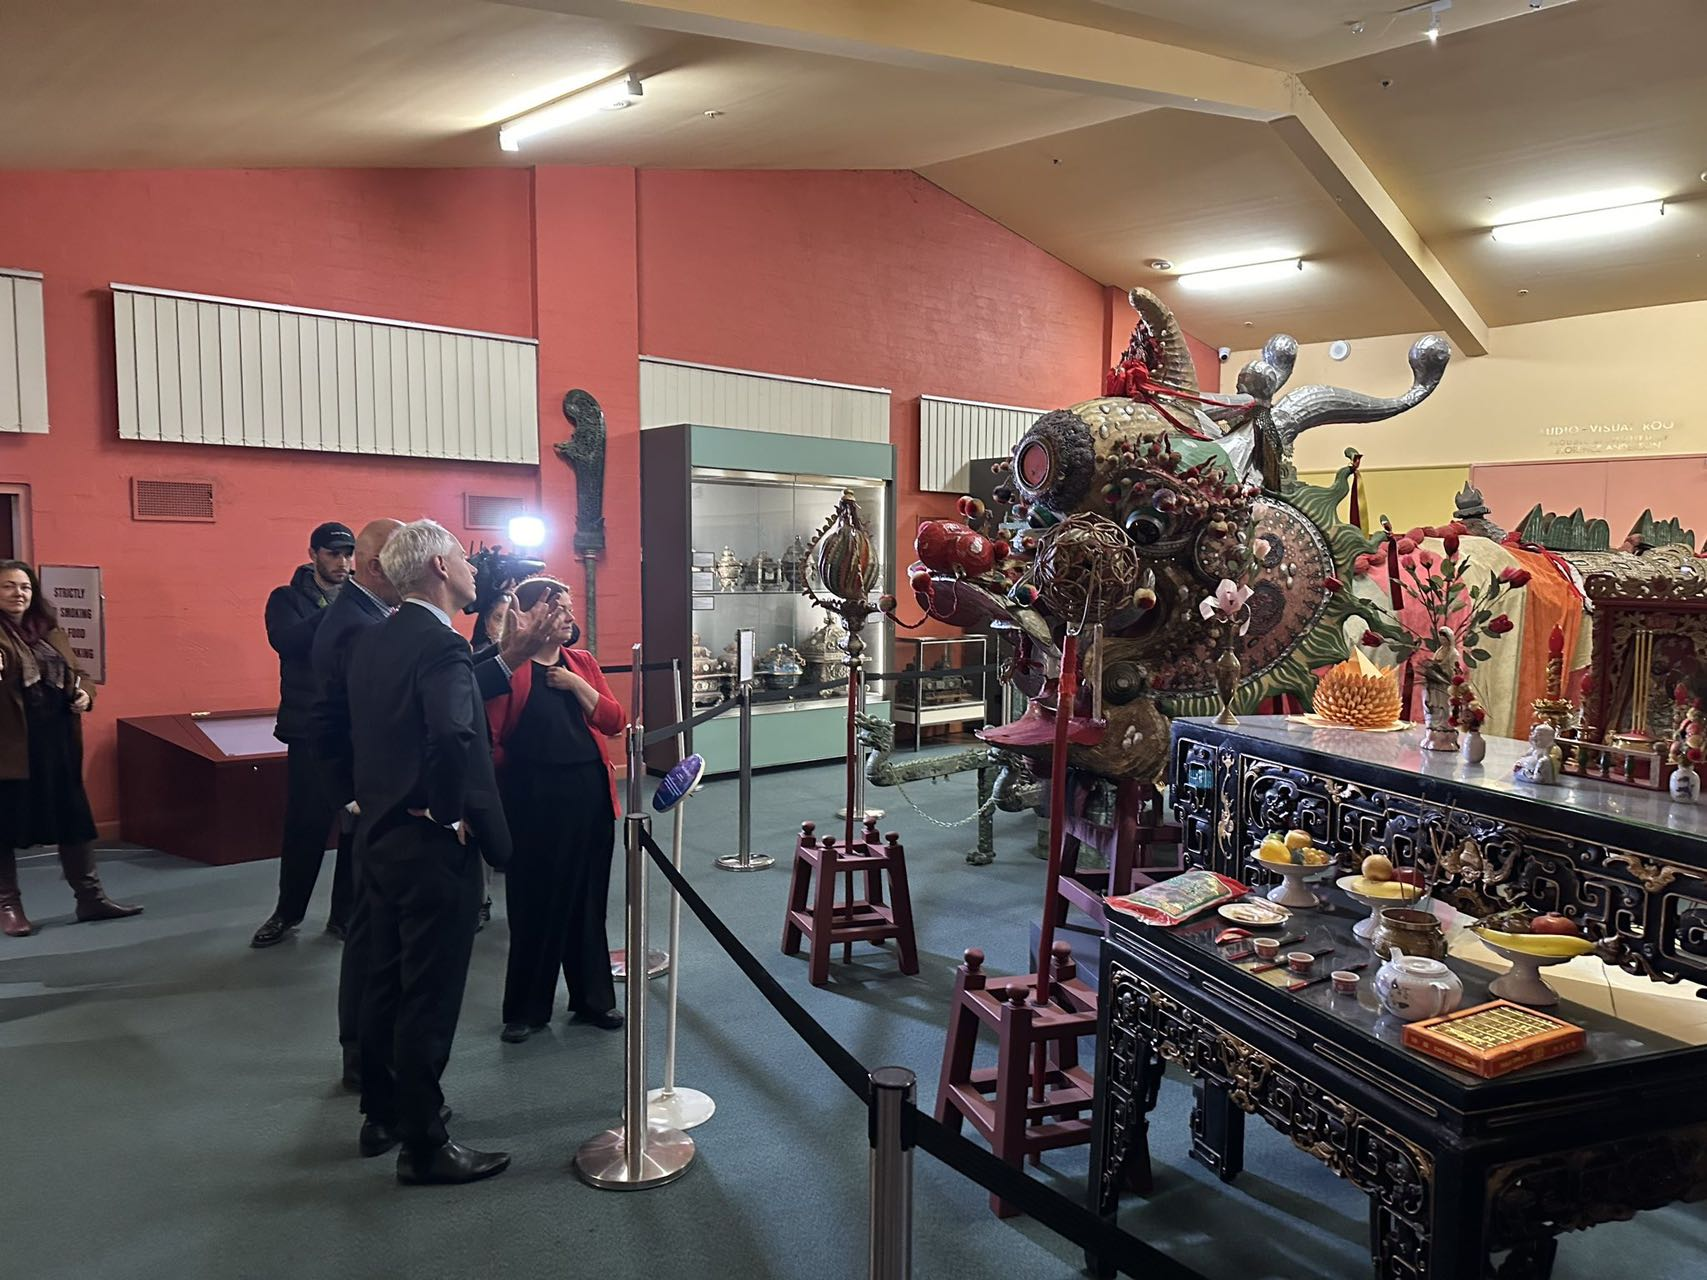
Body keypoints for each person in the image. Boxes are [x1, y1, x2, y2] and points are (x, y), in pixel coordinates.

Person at [347, 519, 512, 1185]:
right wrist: (446, 811)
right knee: (429, 995)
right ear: (440, 567)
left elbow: (360, 731)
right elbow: (451, 735)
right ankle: (424, 1144)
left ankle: (384, 1111)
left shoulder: (374, 636)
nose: (474, 568)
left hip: (379, 835)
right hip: (429, 845)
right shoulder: (441, 645)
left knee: (385, 982)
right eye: (464, 558)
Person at [483, 577, 626, 1043]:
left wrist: (575, 684)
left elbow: (614, 721)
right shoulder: (509, 668)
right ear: (530, 615)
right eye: (557, 608)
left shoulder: (581, 663)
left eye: (569, 607)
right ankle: (526, 1009)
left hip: (589, 797)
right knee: (533, 904)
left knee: (588, 902)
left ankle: (593, 999)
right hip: (533, 801)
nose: (569, 616)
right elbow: (493, 741)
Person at [308, 518, 403, 1091]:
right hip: (371, 798)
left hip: (369, 793)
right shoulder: (358, 624)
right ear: (376, 568)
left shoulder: (369, 615)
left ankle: (365, 1054)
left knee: (371, 929)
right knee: (371, 935)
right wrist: (349, 795)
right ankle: (363, 1056)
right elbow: (332, 718)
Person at [0, 560, 142, 936]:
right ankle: (8, 905)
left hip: (57, 741)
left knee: (73, 819)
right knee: (5, 825)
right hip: (10, 746)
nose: (18, 594)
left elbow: (78, 672)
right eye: (8, 586)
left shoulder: (49, 628)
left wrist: (84, 694)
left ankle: (90, 898)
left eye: (25, 587)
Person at [251, 522, 357, 948]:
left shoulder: (364, 603)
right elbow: (289, 642)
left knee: (356, 826)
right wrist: (346, 606)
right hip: (309, 730)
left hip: (356, 729)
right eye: (334, 553)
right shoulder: (286, 598)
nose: (343, 562)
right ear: (313, 554)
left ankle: (345, 915)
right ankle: (288, 912)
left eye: (348, 554)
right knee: (305, 828)